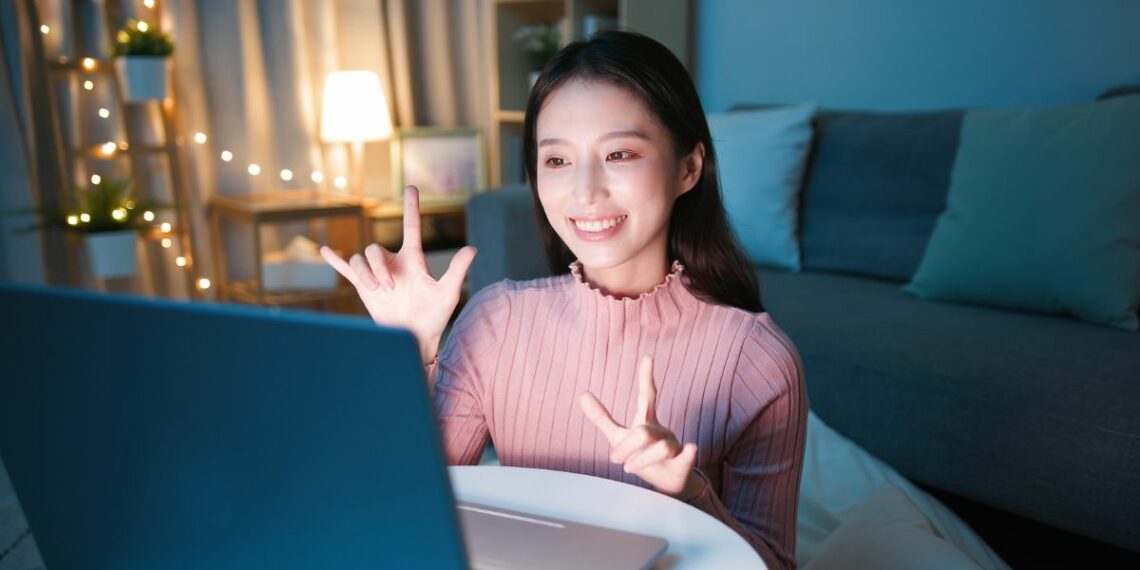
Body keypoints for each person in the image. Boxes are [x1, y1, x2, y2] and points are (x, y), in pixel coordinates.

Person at [320, 30, 807, 569]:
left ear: (689, 168)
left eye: (620, 153)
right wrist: (409, 350)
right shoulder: (496, 322)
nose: (584, 192)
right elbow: (404, 513)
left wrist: (689, 495)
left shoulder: (757, 360)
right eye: (556, 161)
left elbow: (774, 565)